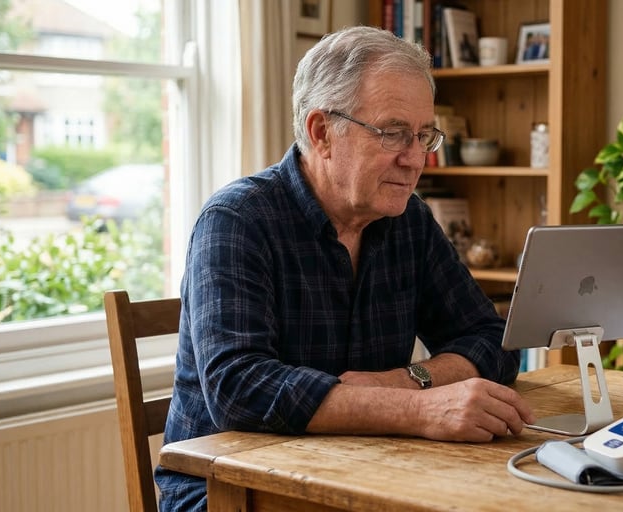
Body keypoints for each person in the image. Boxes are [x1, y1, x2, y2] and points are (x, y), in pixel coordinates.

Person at [155, 25, 536, 511]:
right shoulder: (237, 220)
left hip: (364, 470)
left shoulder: (408, 219)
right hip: (227, 489)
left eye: (424, 135)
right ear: (321, 132)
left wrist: (403, 381)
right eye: (394, 133)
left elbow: (490, 340)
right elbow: (239, 388)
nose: (416, 159)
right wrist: (419, 410)